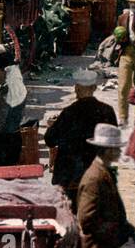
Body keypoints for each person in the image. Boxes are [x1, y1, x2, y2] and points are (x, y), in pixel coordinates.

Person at [45, 72, 119, 208]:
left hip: (70, 175)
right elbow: (113, 143)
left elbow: (50, 140)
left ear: (76, 88)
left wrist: (52, 126)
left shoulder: (69, 112)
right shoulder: (107, 111)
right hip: (97, 172)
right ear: (94, 88)